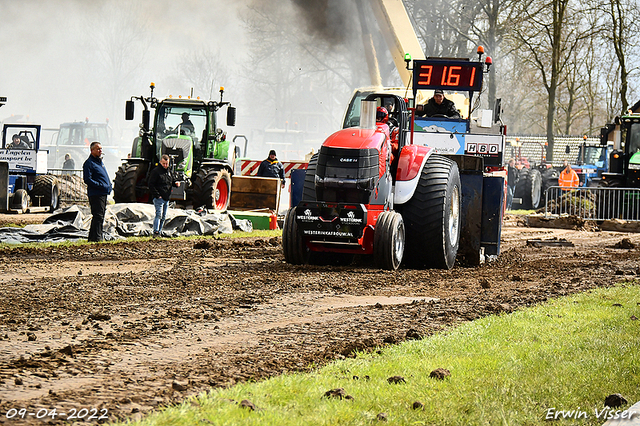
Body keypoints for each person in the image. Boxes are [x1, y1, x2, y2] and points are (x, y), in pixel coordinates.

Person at [83, 141, 112, 242]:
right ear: (92, 150)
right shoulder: (89, 163)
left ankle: (93, 237)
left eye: (101, 149)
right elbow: (87, 179)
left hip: (103, 192)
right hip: (96, 193)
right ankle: (97, 238)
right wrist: (101, 186)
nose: (100, 151)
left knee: (100, 215)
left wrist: (108, 185)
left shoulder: (99, 162)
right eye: (98, 149)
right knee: (98, 215)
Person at [148, 154, 180, 237]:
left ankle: (160, 231)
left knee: (164, 216)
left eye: (167, 164)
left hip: (166, 197)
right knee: (158, 214)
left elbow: (171, 181)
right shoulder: (156, 172)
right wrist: (157, 195)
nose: (165, 165)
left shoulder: (169, 171)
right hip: (159, 198)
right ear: (160, 162)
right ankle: (155, 232)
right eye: (164, 164)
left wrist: (176, 183)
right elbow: (151, 184)